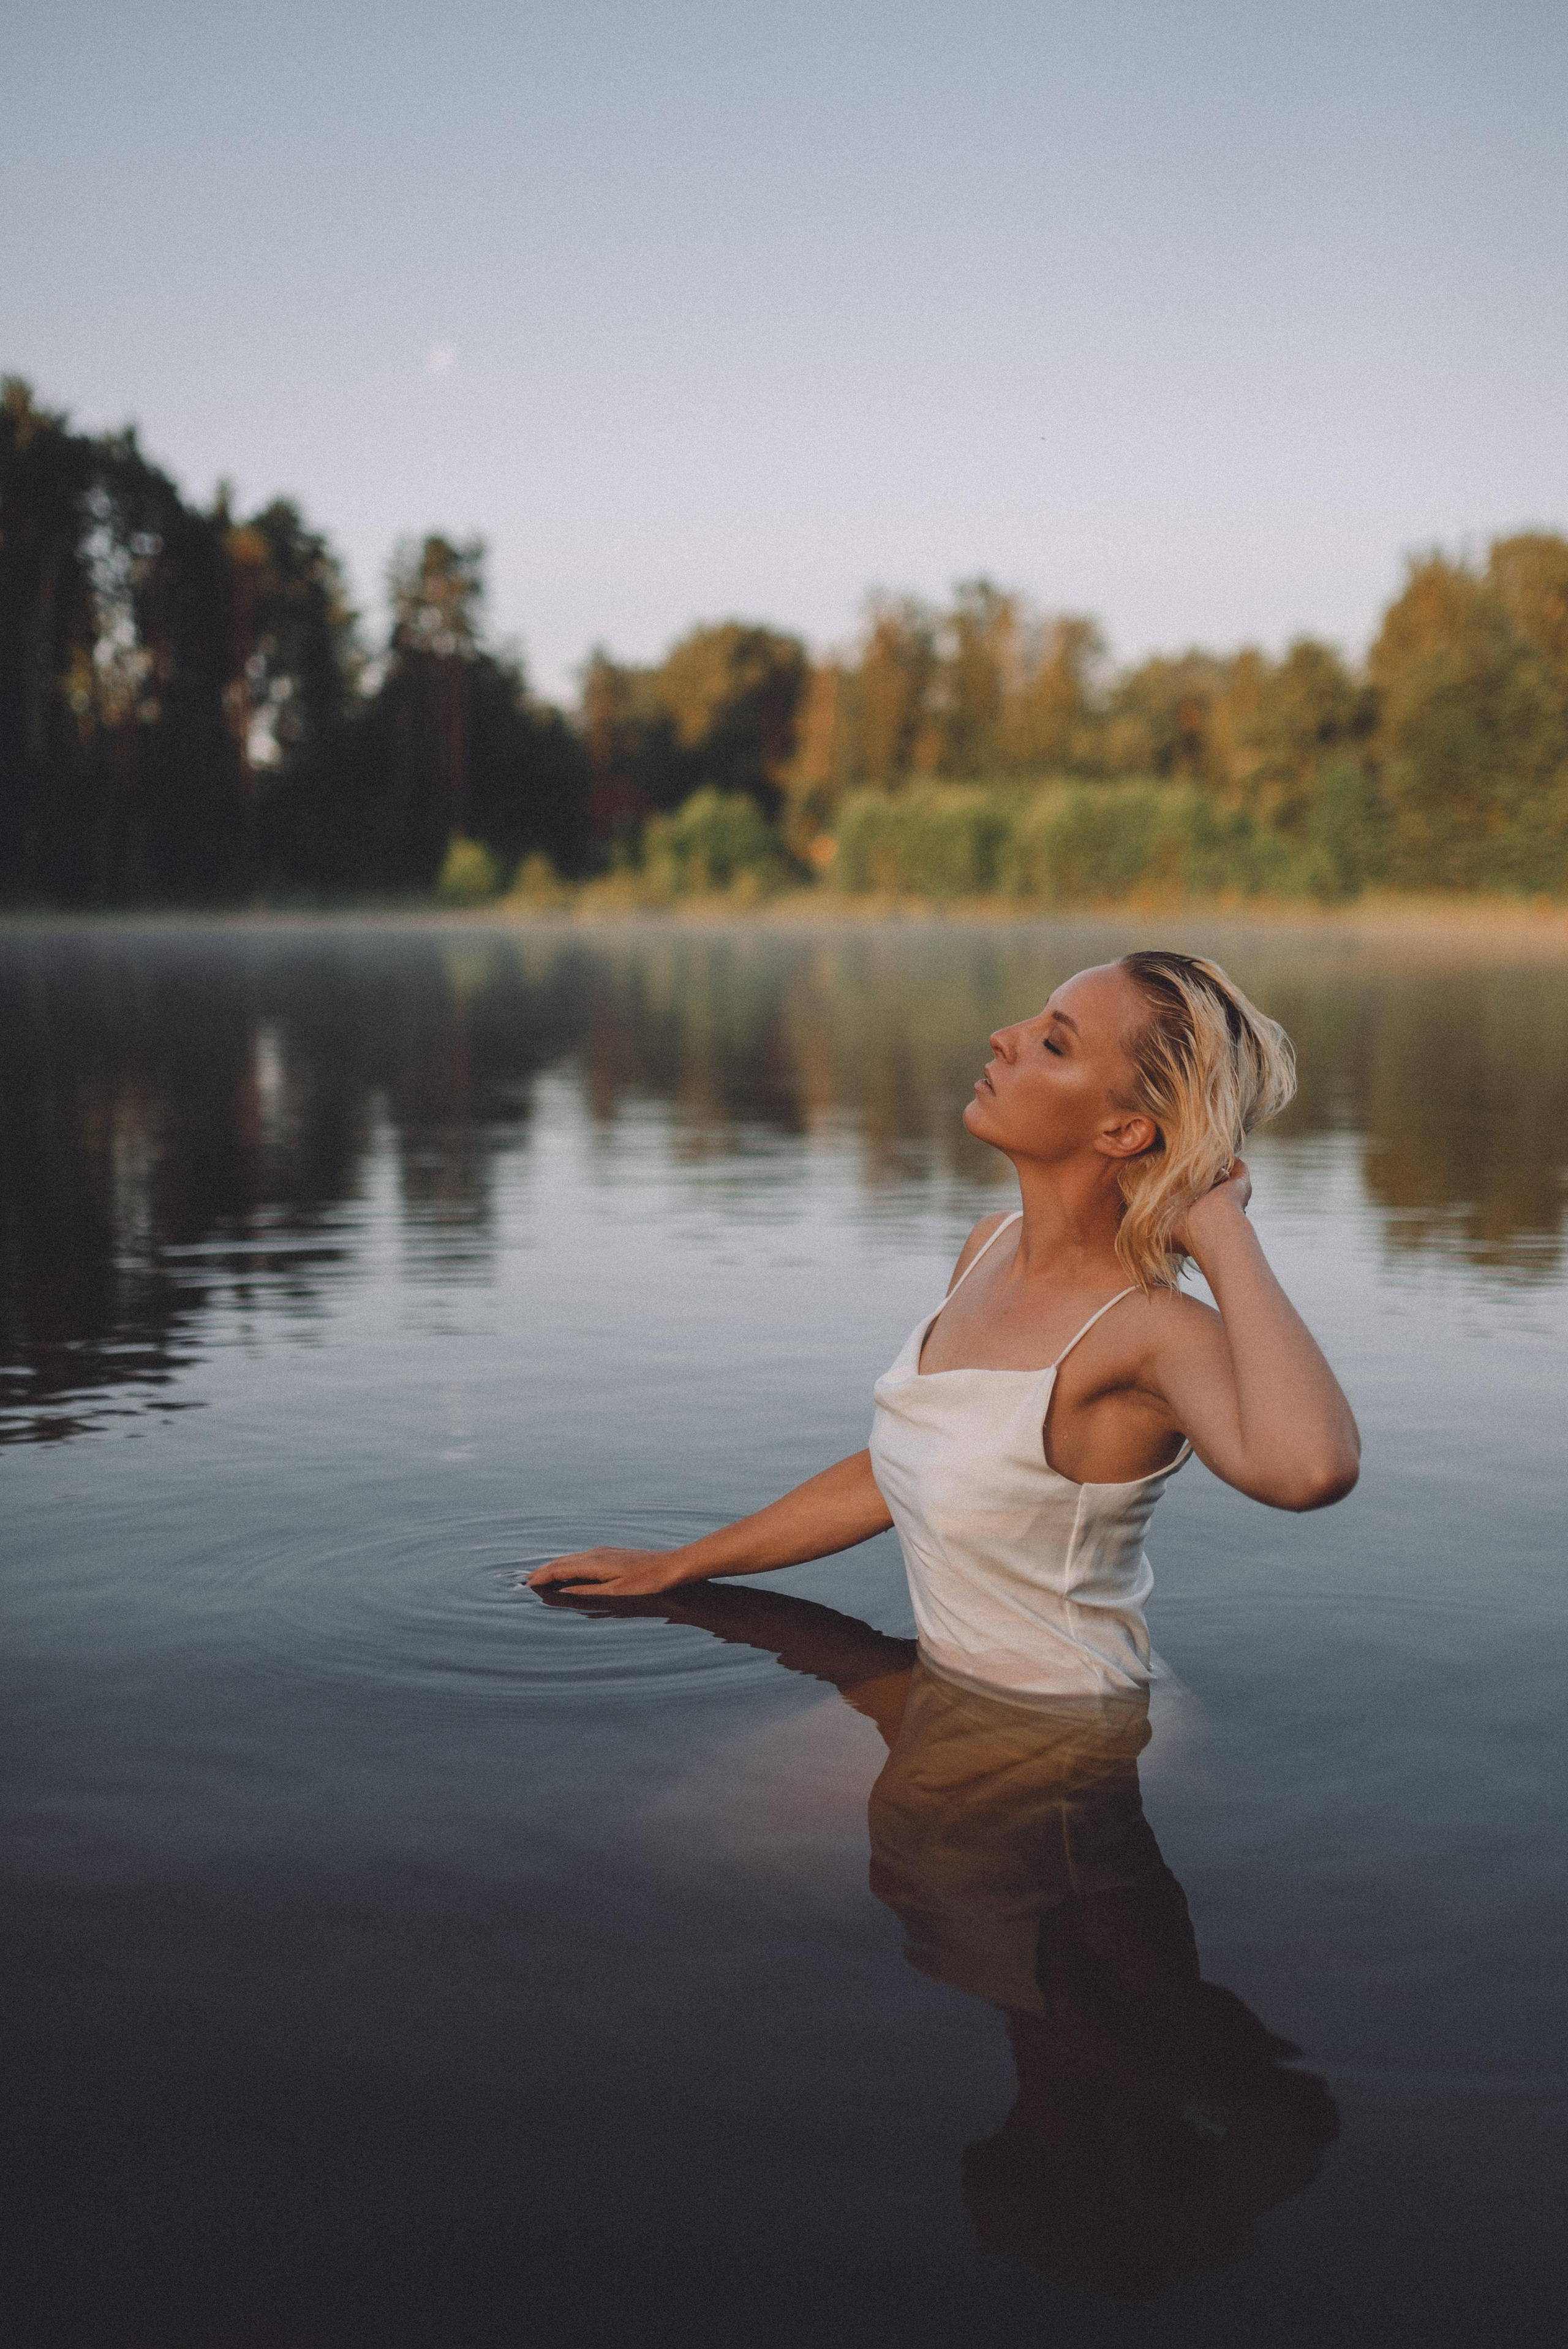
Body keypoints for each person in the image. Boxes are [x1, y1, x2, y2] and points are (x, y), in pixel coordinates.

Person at [530, 951, 1360, 1701]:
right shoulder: (987, 1248)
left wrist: (1220, 1229)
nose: (1005, 1037)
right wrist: (679, 1565)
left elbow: (1311, 1469)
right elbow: (905, 1465)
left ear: (1123, 1130)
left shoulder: (1150, 1331)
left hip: (1063, 1731)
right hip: (953, 1691)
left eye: (1054, 1044)